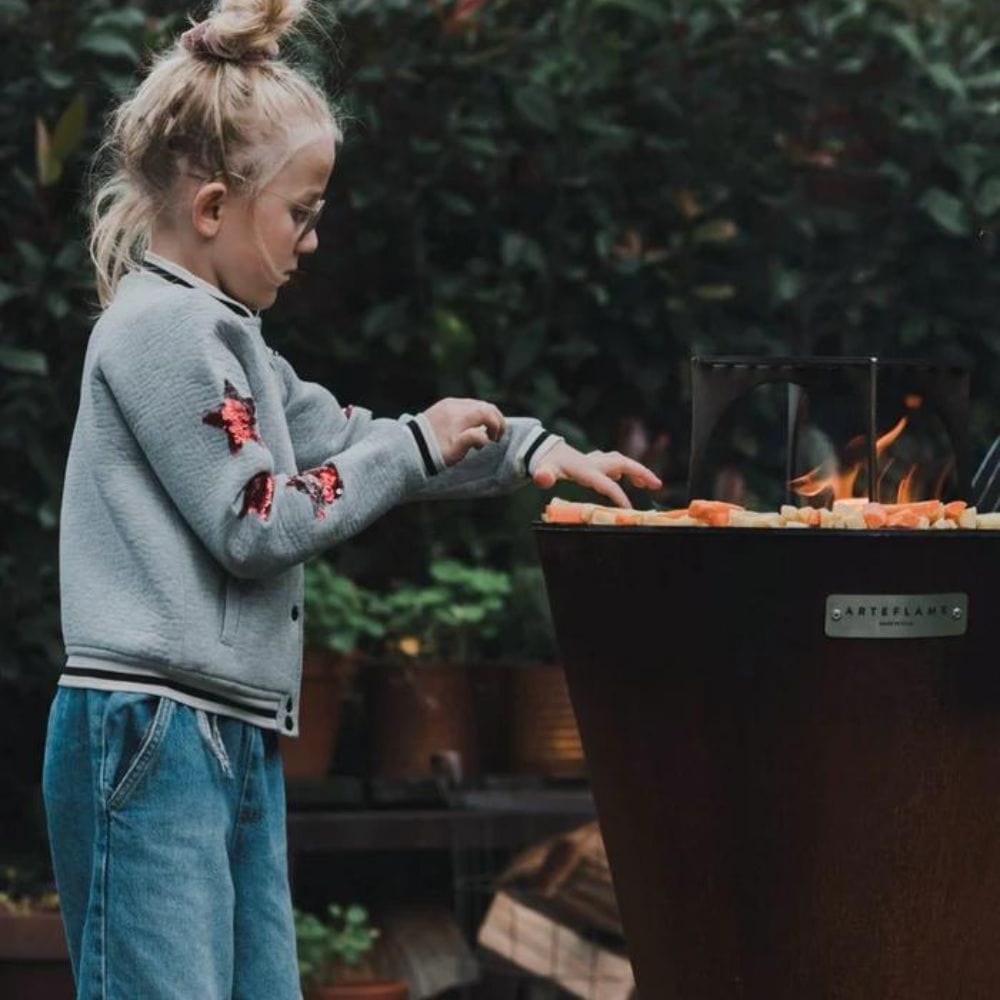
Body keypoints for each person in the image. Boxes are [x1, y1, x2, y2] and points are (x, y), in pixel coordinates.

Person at [40, 1, 663, 997]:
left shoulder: (228, 339)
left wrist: (524, 450)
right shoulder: (162, 333)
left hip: (214, 727)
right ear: (211, 209)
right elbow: (259, 520)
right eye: (302, 211)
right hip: (149, 733)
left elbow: (354, 442)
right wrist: (413, 446)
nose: (313, 240)